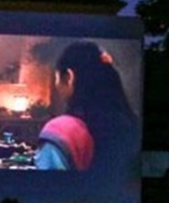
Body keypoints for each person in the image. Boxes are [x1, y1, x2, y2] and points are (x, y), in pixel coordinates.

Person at [35, 41, 138, 172]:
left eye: (56, 78)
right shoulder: (132, 125)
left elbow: (46, 183)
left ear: (69, 77)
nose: (56, 85)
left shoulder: (61, 130)